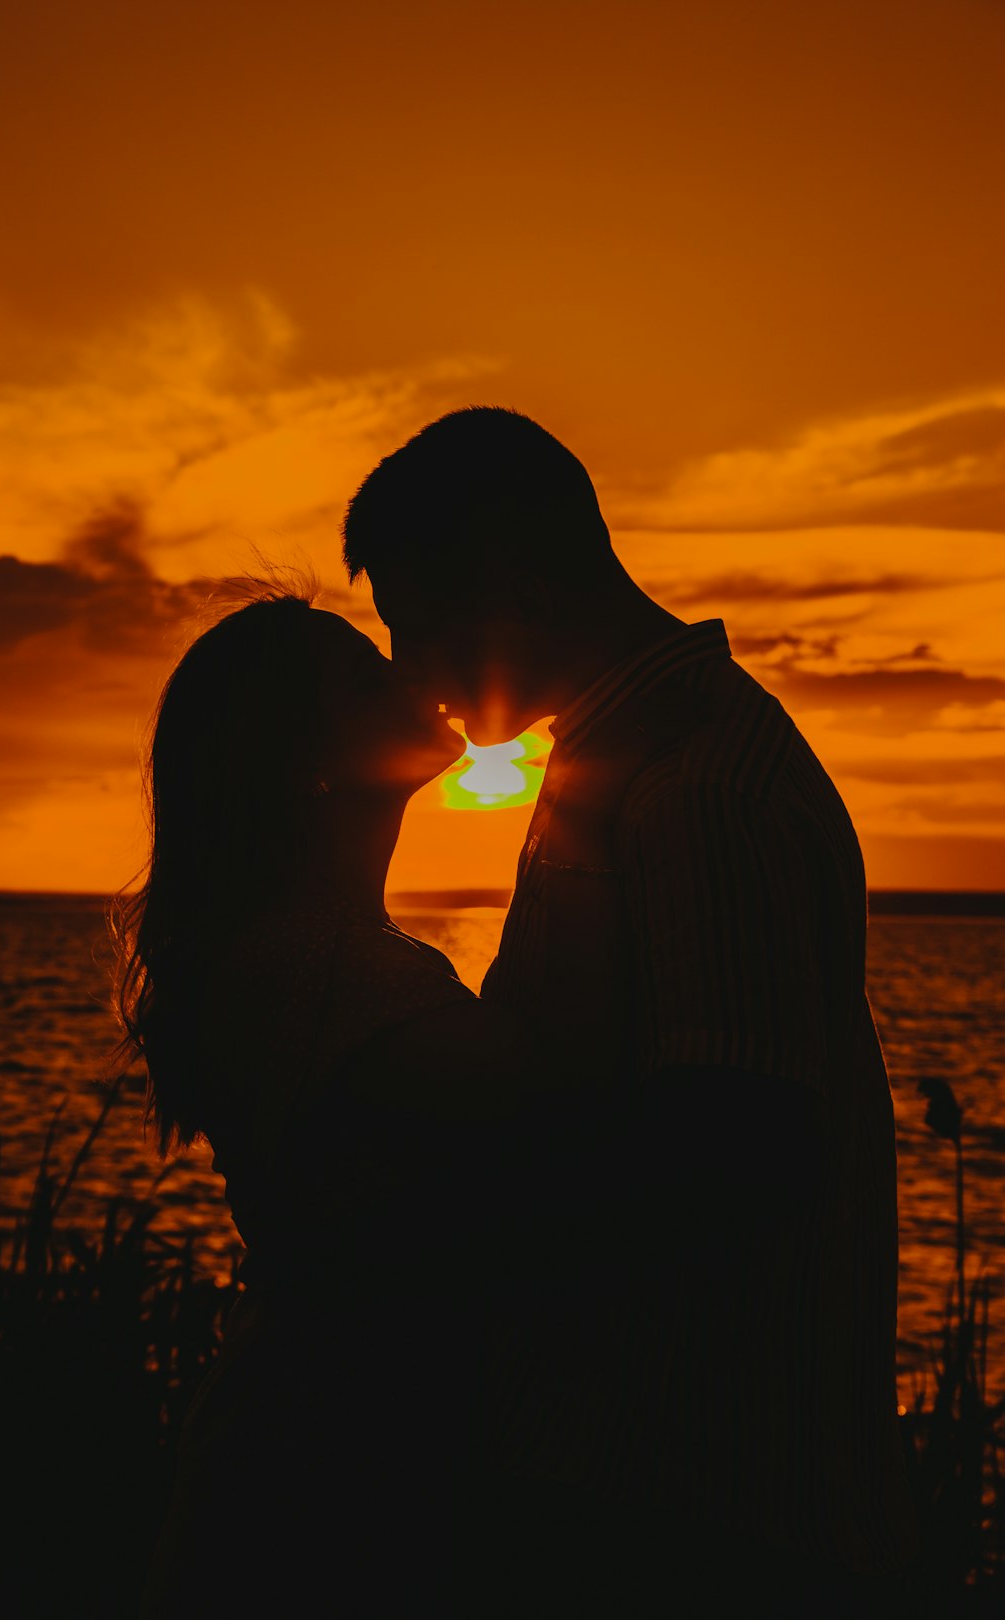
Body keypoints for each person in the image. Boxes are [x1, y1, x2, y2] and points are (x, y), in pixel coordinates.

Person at [342, 405, 923, 1615]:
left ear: (516, 588)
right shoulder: (630, 773)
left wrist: (469, 1226)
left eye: (417, 623)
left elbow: (737, 1147)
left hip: (700, 1509)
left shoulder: (695, 790)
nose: (407, 672)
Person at [114, 589, 586, 1618]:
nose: (410, 677)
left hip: (337, 1450)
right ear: (307, 764)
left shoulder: (320, 959)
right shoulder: (310, 969)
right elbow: (563, 1117)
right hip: (331, 1478)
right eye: (367, 675)